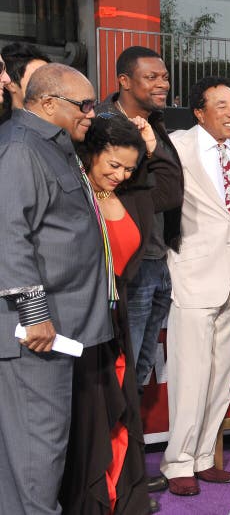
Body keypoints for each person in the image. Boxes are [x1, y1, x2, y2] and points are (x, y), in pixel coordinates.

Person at [0, 63, 111, 514]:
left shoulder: (53, 147)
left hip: (59, 331)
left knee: (33, 461)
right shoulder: (20, 148)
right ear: (47, 103)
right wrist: (33, 312)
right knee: (37, 462)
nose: (92, 113)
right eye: (83, 105)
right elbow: (8, 235)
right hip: (37, 335)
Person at [60, 112, 182, 513]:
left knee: (120, 414)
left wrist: (152, 146)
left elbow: (170, 188)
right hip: (76, 325)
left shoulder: (129, 193)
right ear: (91, 153)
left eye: (130, 168)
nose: (121, 174)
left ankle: (116, 496)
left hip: (116, 322)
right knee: (89, 422)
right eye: (113, 164)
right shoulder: (70, 192)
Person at [160, 77, 230, 496]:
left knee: (219, 374)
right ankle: (177, 459)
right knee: (189, 371)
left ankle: (202, 457)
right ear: (199, 111)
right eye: (221, 104)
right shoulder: (176, 146)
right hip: (192, 274)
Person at [95, 46, 183, 396]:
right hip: (127, 264)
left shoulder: (155, 123)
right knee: (121, 370)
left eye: (164, 76)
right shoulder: (102, 125)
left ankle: (130, 446)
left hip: (157, 259)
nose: (162, 83)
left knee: (140, 370)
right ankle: (113, 447)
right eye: (152, 77)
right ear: (124, 81)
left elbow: (170, 190)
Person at [0, 42, 49, 122]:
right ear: (11, 85)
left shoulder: (66, 123)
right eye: (39, 79)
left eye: (52, 78)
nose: (51, 85)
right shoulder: (6, 132)